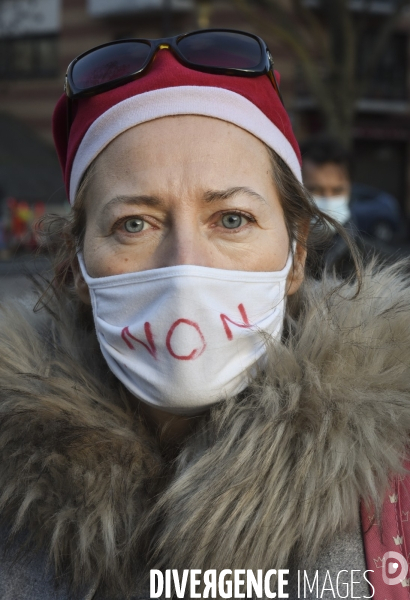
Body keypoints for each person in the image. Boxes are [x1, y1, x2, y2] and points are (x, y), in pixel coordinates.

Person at [1, 29, 410, 600]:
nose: (185, 270)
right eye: (134, 224)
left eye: (233, 219)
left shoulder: (396, 494)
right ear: (77, 265)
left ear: (295, 255)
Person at [301, 135, 399, 278]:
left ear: (350, 190)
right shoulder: (277, 256)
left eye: (337, 190)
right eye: (315, 190)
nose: (328, 200)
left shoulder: (378, 263)